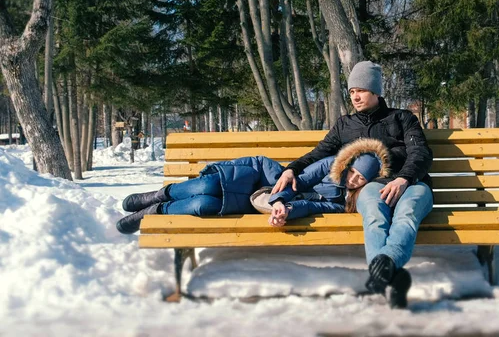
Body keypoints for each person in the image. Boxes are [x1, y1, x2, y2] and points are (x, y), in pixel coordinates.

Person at [272, 60, 434, 309]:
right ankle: (391, 277)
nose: (356, 97)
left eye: (361, 90)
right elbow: (318, 153)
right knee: (373, 215)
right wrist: (292, 168)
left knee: (407, 213)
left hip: (413, 183)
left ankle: (385, 267)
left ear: (376, 91)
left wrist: (404, 179)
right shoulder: (344, 125)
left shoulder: (402, 118)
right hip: (375, 186)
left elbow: (420, 153)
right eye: (352, 92)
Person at [115, 138, 391, 235]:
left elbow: (310, 205)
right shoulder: (331, 166)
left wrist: (286, 211)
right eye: (353, 172)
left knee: (205, 205)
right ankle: (159, 194)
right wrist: (280, 199)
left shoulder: (341, 203)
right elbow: (299, 181)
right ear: (349, 164)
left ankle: (155, 211)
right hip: (263, 180)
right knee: (208, 185)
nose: (354, 179)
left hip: (257, 200)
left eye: (361, 179)